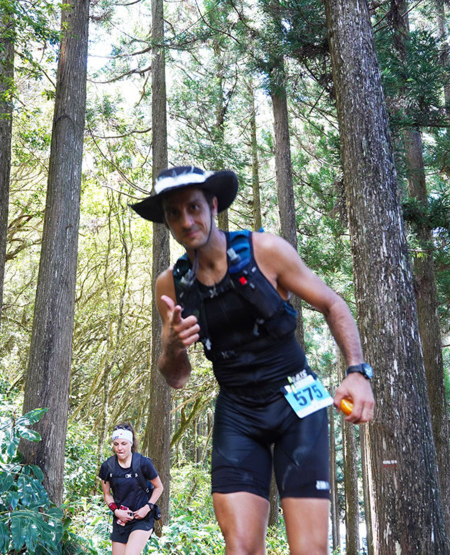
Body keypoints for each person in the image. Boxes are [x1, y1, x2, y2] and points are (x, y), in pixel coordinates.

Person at [129, 166, 375, 555]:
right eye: (174, 213)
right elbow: (176, 378)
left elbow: (332, 304)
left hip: (298, 401)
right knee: (240, 547)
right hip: (238, 413)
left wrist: (357, 372)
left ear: (213, 206)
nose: (186, 220)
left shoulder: (265, 251)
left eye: (194, 207)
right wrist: (171, 346)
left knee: (309, 550)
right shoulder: (171, 285)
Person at [98, 423, 164, 555]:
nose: (120, 448)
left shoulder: (143, 463)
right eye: (116, 444)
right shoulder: (107, 466)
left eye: (123, 443)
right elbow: (107, 494)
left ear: (131, 443)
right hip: (121, 520)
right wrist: (116, 511)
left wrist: (147, 507)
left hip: (142, 518)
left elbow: (159, 487)